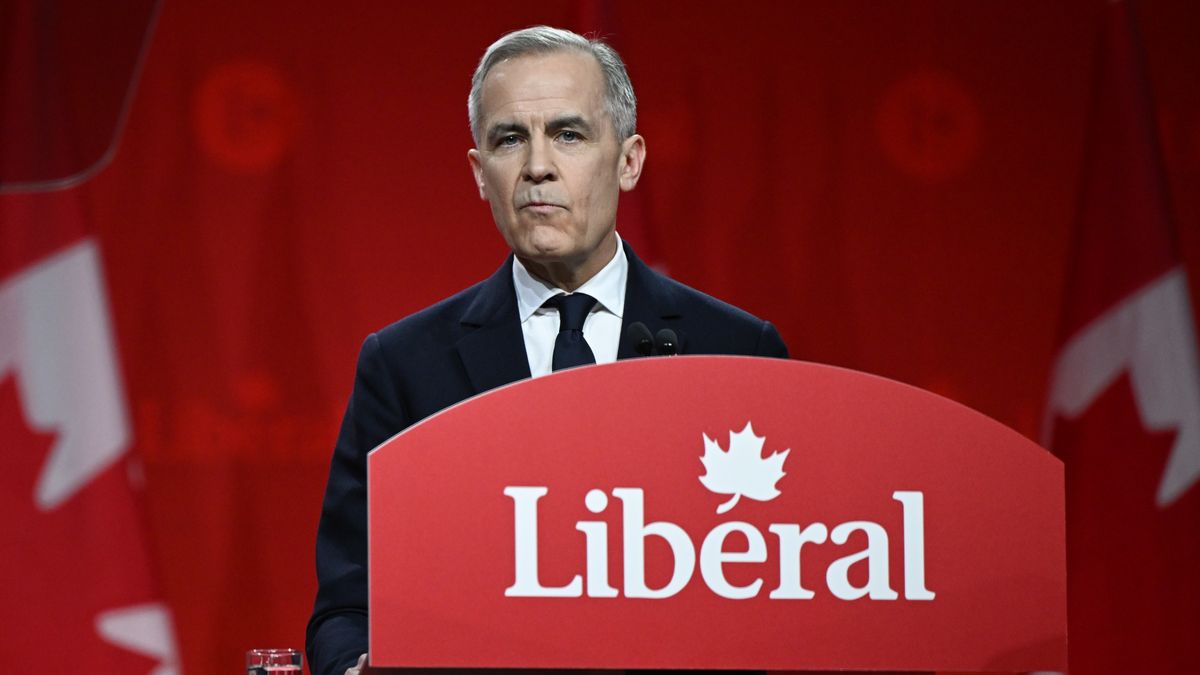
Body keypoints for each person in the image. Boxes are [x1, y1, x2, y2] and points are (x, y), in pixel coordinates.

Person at [306, 25, 789, 675]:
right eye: (510, 138)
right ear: (481, 173)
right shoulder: (403, 365)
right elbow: (346, 606)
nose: (538, 166)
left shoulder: (738, 352)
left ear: (629, 160)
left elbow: (786, 595)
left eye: (568, 134)